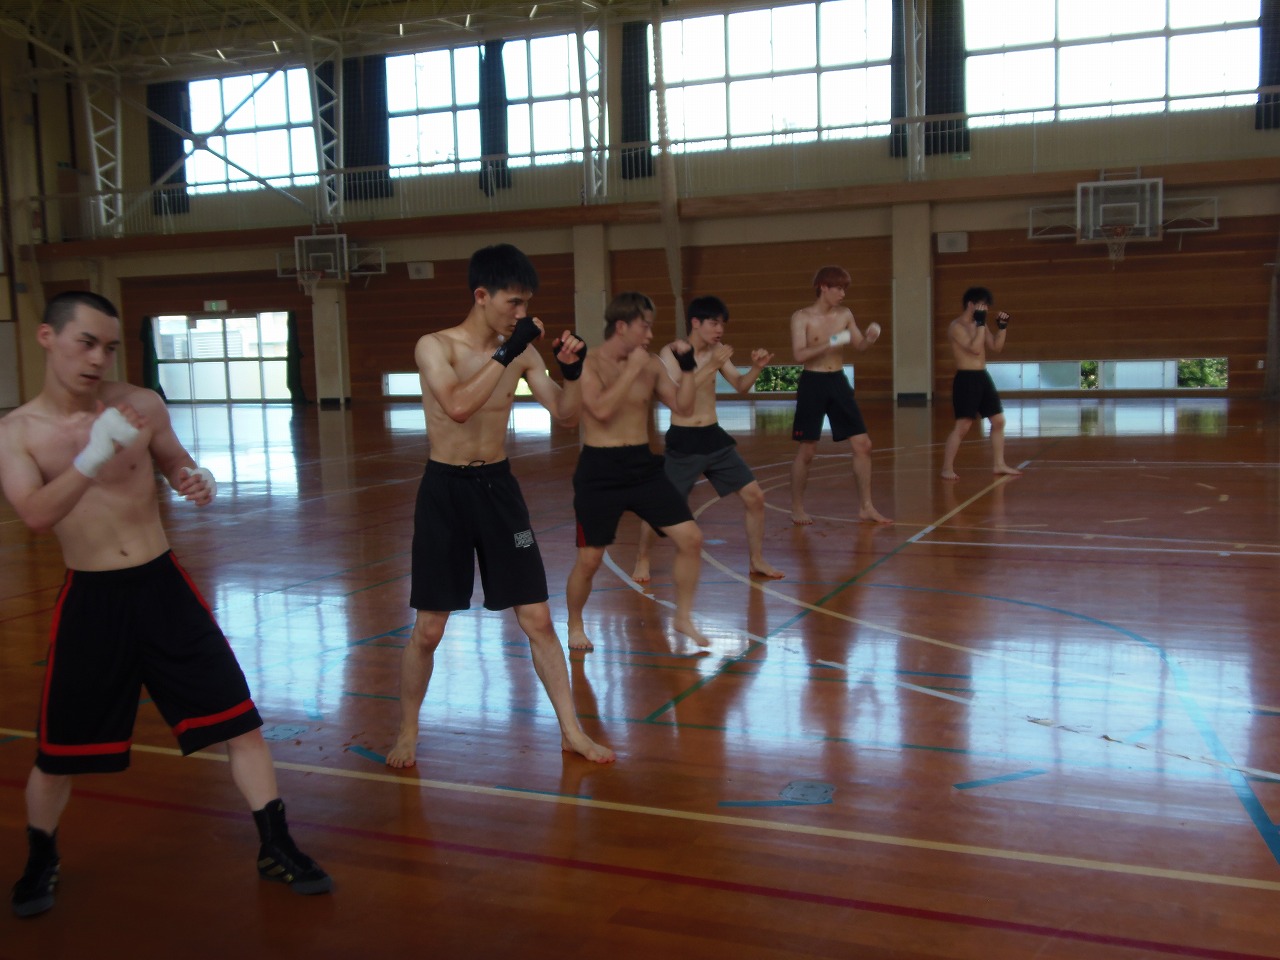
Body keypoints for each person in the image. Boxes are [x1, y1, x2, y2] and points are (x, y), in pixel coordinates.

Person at [0, 291, 331, 918]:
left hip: (162, 586)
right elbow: (37, 515)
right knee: (58, 751)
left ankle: (275, 844)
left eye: (110, 347)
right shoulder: (16, 433)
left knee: (240, 722)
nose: (98, 358)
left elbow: (175, 461)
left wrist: (190, 478)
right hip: (91, 599)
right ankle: (42, 857)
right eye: (85, 343)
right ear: (47, 337)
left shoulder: (140, 406)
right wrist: (95, 453)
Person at [387, 243, 614, 769]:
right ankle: (406, 730)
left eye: (527, 303)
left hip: (499, 491)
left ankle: (571, 732)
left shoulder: (523, 350)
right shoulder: (435, 346)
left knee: (536, 616)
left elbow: (564, 415)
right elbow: (459, 406)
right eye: (513, 303)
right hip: (444, 490)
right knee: (429, 628)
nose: (522, 314)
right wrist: (510, 351)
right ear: (482, 296)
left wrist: (572, 372)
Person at [565, 292, 707, 652]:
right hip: (600, 469)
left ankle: (683, 616)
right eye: (644, 327)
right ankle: (575, 622)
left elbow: (684, 407)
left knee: (691, 538)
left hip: (643, 466)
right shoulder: (589, 362)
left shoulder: (652, 365)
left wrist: (689, 368)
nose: (649, 336)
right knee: (590, 559)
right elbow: (598, 410)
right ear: (622, 326)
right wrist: (631, 370)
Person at [630, 295, 784, 584]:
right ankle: (642, 558)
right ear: (696, 322)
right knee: (660, 506)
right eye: (714, 323)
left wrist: (756, 368)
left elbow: (740, 386)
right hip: (684, 439)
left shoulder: (716, 352)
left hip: (713, 435)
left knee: (755, 497)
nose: (719, 330)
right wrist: (711, 365)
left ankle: (756, 560)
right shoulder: (672, 351)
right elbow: (677, 394)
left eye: (722, 324)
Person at [788, 266, 892, 526]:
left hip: (838, 380)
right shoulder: (801, 317)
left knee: (863, 445)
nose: (843, 294)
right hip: (812, 382)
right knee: (808, 450)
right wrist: (832, 341)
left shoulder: (845, 314)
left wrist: (869, 338)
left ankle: (866, 507)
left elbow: (859, 346)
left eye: (845, 288)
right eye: (839, 288)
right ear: (824, 287)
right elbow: (799, 355)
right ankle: (797, 507)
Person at [940, 286, 1022, 481]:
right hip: (966, 379)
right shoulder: (957, 327)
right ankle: (946, 468)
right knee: (963, 426)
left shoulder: (980, 325)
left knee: (998, 420)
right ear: (971, 304)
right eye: (982, 304)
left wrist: (1002, 327)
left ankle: (999, 464)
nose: (985, 308)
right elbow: (975, 349)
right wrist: (980, 324)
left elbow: (996, 347)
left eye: (986, 305)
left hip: (982, 377)